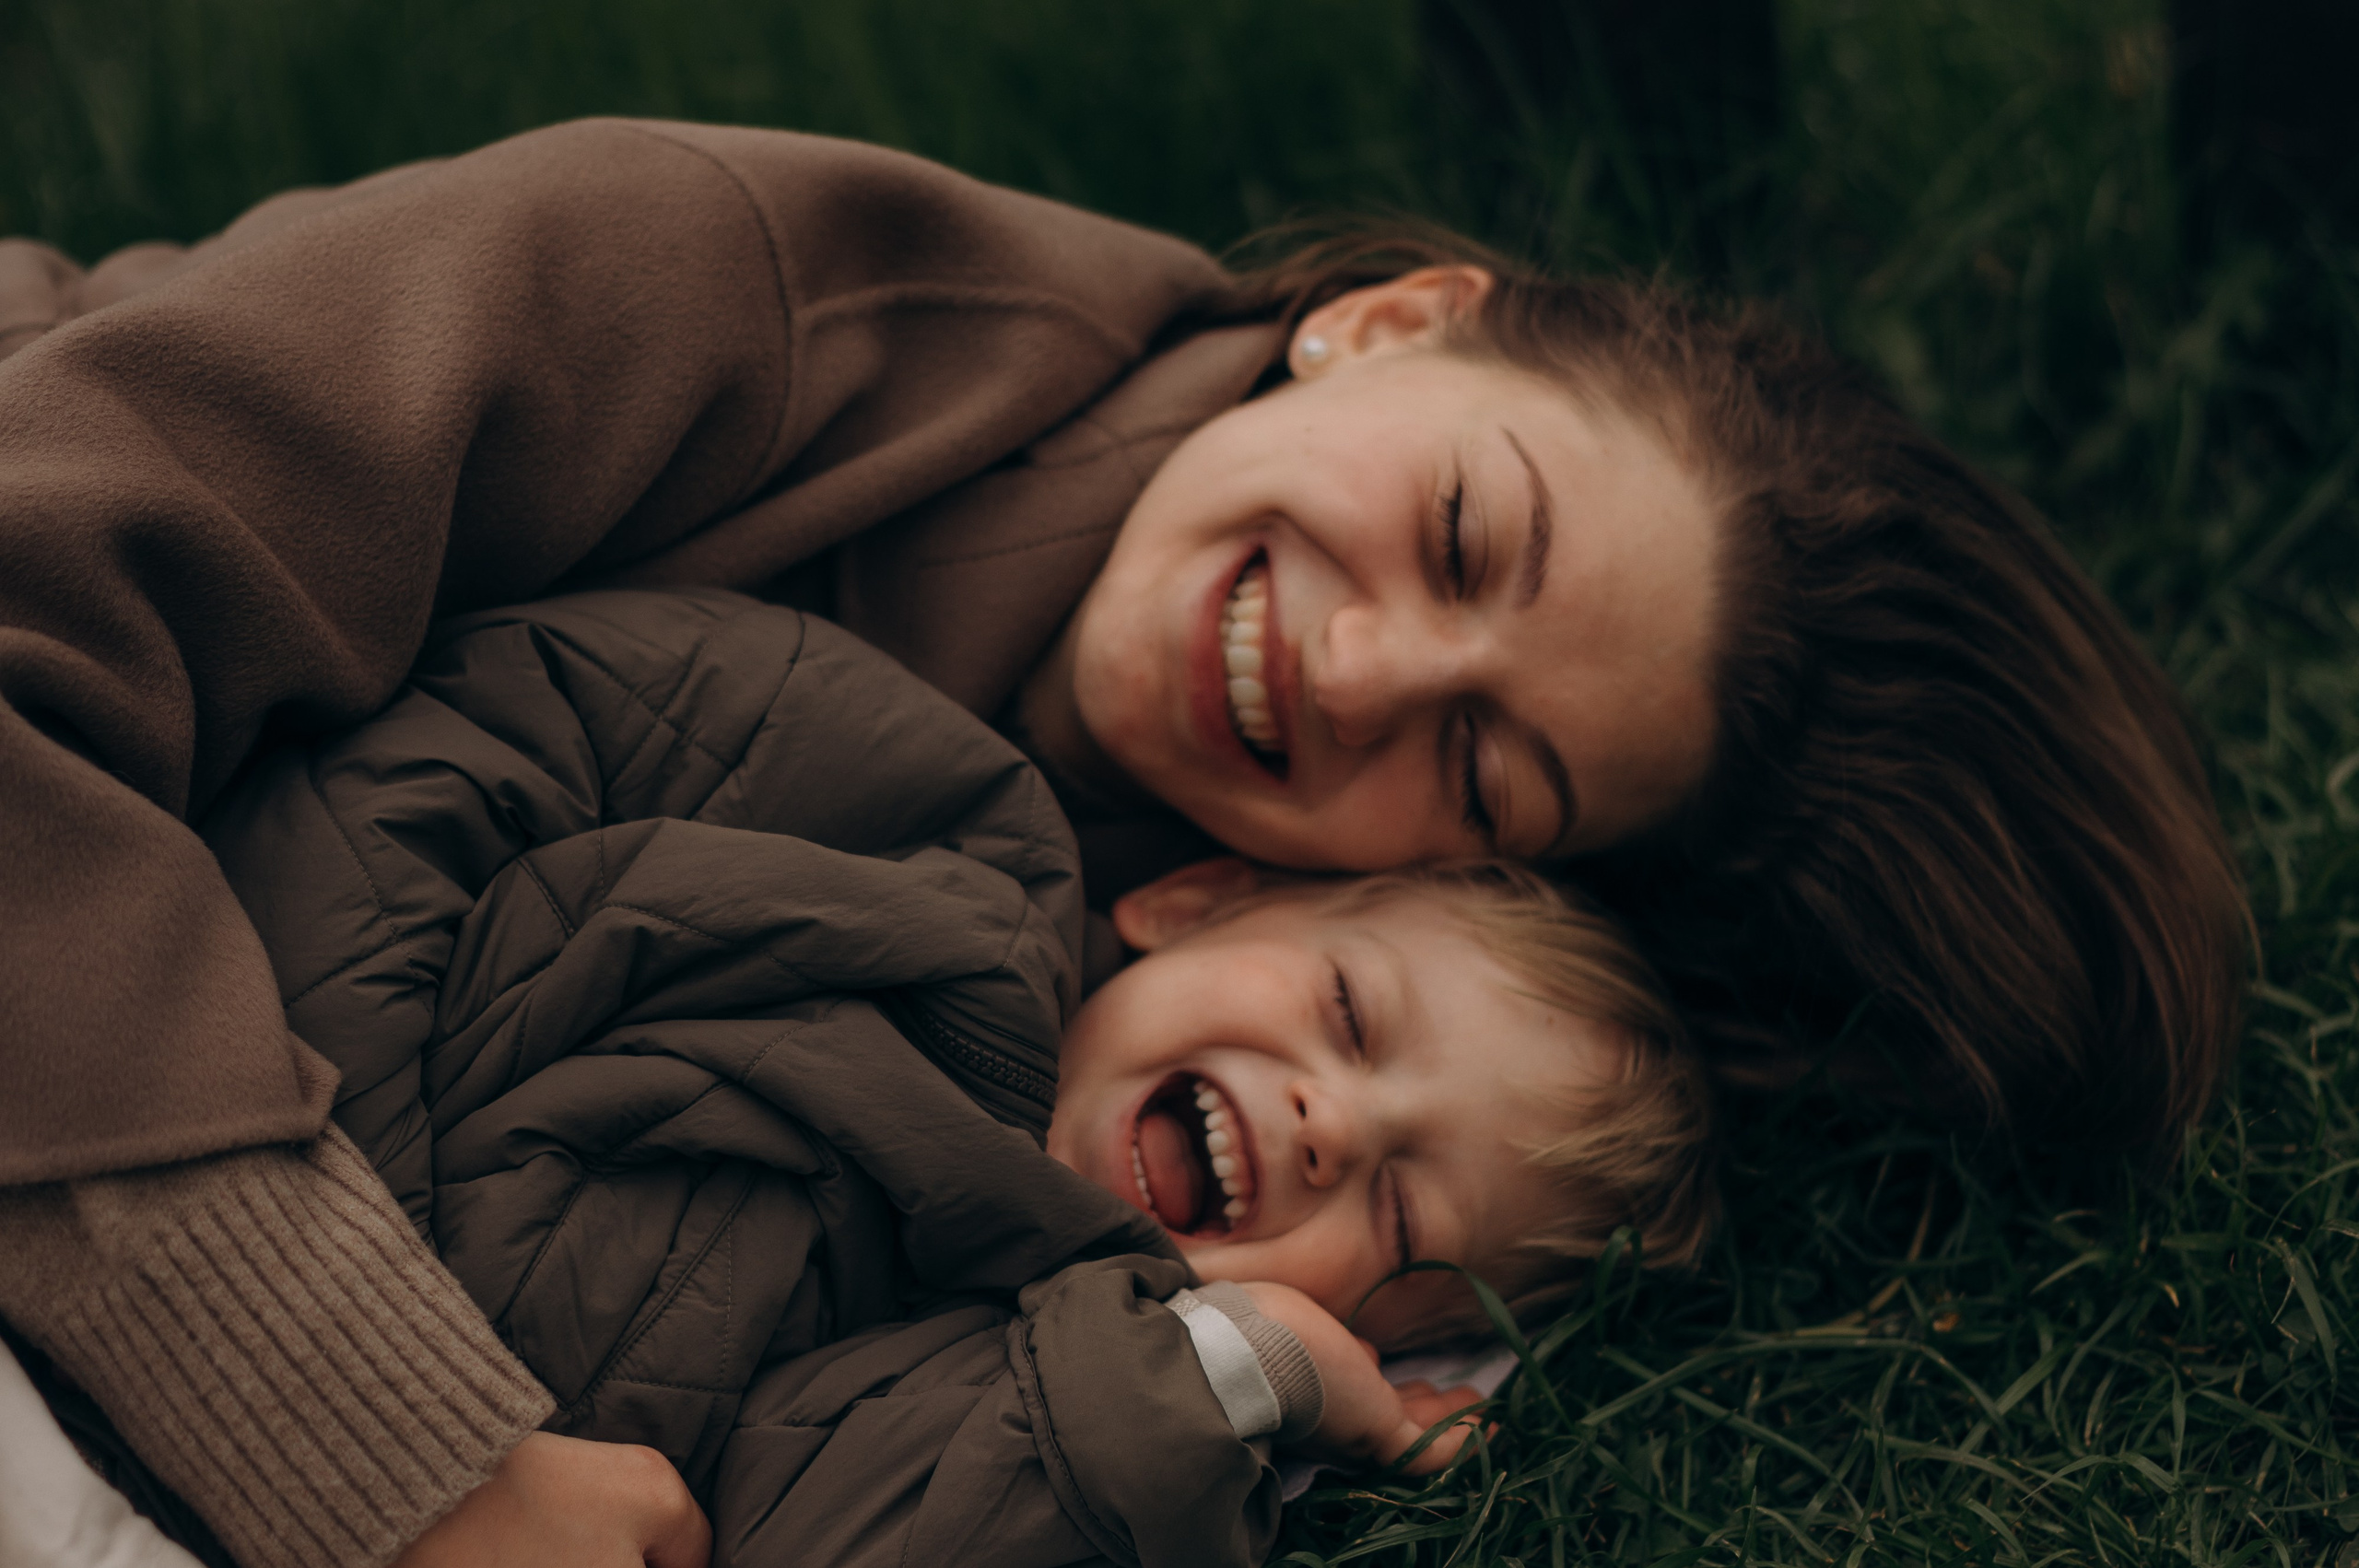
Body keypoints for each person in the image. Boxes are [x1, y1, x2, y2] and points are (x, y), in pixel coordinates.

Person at [0, 118, 2242, 1565]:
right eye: (1463, 528)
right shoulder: (739, 286)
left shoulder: (1159, 985)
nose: (1363, 669)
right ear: (1387, 321)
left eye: (1480, 775)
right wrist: (391, 1452)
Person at [170, 585, 1711, 1567]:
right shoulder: (920, 820)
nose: (1331, 1124)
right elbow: (415, 785)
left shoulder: (1016, 1375)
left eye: (1393, 1223)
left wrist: (1238, 1372)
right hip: (199, 1202)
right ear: (1199, 898)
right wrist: (371, 1367)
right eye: (1353, 1018)